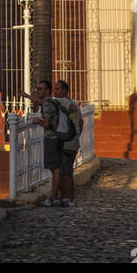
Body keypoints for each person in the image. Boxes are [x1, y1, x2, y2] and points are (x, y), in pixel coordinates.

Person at [29, 78, 66, 207]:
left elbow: (47, 123)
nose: (37, 91)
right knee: (55, 168)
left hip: (52, 138)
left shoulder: (47, 104)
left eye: (40, 89)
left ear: (47, 91)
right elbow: (38, 101)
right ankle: (62, 195)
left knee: (55, 169)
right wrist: (27, 96)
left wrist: (37, 121)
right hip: (57, 137)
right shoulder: (50, 102)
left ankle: (54, 197)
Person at [54, 79, 82, 208]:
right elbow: (80, 123)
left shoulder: (63, 103)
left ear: (65, 91)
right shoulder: (73, 104)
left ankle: (69, 198)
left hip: (66, 142)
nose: (56, 91)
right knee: (66, 171)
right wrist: (76, 135)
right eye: (55, 89)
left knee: (66, 172)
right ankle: (66, 197)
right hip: (72, 141)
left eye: (58, 89)